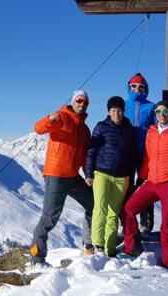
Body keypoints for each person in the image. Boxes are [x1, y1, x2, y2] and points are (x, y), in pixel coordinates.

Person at [118, 101, 168, 271]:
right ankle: (132, 248)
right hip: (151, 181)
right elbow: (148, 158)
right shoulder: (151, 132)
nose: (162, 114)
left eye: (165, 111)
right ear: (155, 114)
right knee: (128, 209)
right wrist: (141, 179)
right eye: (158, 111)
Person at [29, 90, 96, 266]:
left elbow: (82, 156)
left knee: (93, 204)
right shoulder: (62, 118)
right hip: (56, 175)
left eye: (85, 102)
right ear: (73, 101)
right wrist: (49, 118)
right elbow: (38, 128)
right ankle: (37, 256)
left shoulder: (84, 129)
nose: (82, 104)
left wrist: (88, 175)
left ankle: (88, 244)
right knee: (50, 216)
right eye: (79, 100)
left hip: (73, 176)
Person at [85, 96, 137, 257]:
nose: (117, 113)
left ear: (123, 111)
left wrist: (131, 179)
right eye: (114, 110)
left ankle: (110, 249)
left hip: (122, 178)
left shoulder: (130, 130)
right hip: (102, 174)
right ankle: (98, 245)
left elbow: (132, 156)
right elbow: (91, 151)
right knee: (100, 209)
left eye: (119, 110)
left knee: (113, 213)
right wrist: (89, 174)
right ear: (109, 111)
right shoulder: (102, 127)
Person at [125, 73, 156, 234]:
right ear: (129, 87)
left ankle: (146, 224)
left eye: (141, 87)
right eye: (134, 86)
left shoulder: (151, 107)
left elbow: (157, 127)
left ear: (146, 89)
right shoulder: (123, 105)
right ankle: (126, 224)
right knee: (127, 187)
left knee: (145, 188)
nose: (137, 89)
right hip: (128, 152)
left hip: (146, 153)